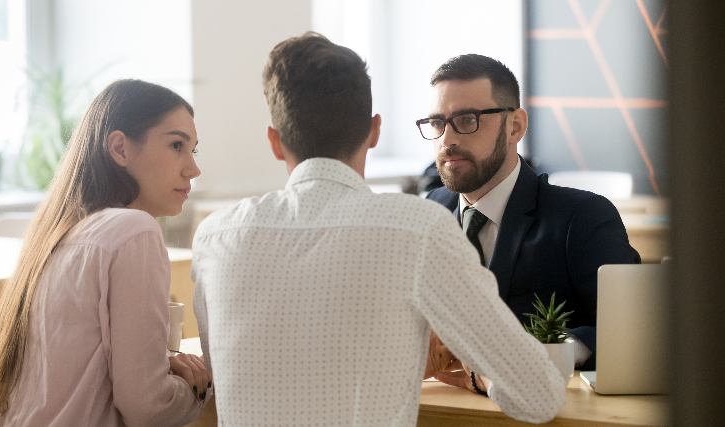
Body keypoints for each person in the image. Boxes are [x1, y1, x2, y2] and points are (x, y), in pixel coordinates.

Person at [191, 32, 564, 426]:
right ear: (374, 131)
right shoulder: (417, 230)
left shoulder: (215, 238)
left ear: (274, 141)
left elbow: (220, 377)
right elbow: (538, 395)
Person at [0, 79, 211, 426]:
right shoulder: (134, 231)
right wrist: (199, 385)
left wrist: (161, 368)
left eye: (194, 151)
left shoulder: (59, 232)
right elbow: (147, 406)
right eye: (177, 145)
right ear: (120, 148)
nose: (193, 168)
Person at [419, 54, 640, 375]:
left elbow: (629, 328)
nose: (447, 139)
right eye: (437, 123)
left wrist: (551, 353)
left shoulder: (583, 217)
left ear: (515, 126)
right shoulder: (430, 212)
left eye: (468, 120)